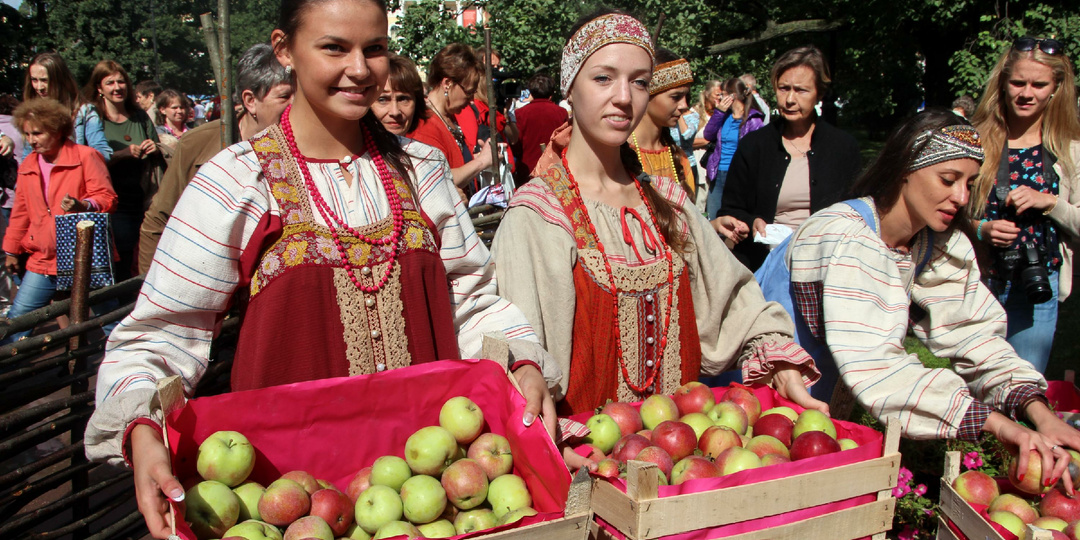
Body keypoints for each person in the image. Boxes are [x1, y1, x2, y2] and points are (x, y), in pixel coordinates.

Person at [86, 1, 560, 536]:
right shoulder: (239, 182)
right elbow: (163, 332)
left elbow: (471, 301)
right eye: (334, 47)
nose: (359, 69)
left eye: (374, 49)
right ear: (285, 50)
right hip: (293, 503)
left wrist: (520, 361)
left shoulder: (422, 171)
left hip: (437, 497)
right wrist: (143, 427)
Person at [491, 10, 826, 451]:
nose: (624, 97)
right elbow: (521, 355)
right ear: (569, 86)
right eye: (604, 78)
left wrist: (778, 362)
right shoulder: (539, 216)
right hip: (591, 469)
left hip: (688, 467)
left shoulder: (667, 199)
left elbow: (732, 302)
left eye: (640, 81)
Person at [782, 109, 1080, 493]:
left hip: (816, 419)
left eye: (970, 183)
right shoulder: (843, 236)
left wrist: (1040, 413)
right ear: (906, 166)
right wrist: (998, 424)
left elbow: (974, 336)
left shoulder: (933, 245)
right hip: (755, 398)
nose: (961, 197)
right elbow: (879, 366)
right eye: (948, 179)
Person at [970, 37, 1080, 374]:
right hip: (978, 281)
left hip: (1037, 284)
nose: (1026, 93)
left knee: (1024, 385)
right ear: (1002, 83)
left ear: (1056, 89)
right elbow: (945, 208)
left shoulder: (1071, 151)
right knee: (976, 390)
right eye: (1017, 82)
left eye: (1038, 84)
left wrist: (1050, 202)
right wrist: (980, 228)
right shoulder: (974, 139)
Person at [137, 43, 294, 275]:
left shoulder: (309, 146)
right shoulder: (198, 144)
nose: (296, 104)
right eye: (285, 96)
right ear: (251, 100)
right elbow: (159, 221)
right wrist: (152, 290)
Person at [717, 46, 862, 271]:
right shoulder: (754, 146)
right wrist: (752, 221)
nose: (790, 99)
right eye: (784, 89)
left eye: (801, 90)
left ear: (819, 93)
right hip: (766, 267)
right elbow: (730, 209)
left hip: (829, 268)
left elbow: (858, 211)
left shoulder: (843, 148)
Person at [3, 98, 118, 342]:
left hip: (85, 256)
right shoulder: (28, 164)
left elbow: (107, 198)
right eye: (27, 133)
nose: (31, 139)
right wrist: (11, 250)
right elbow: (20, 213)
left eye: (38, 133)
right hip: (43, 258)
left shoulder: (85, 156)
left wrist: (84, 205)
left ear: (58, 131)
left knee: (108, 320)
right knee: (19, 318)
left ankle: (126, 365)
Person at [85, 60, 165, 280]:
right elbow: (89, 159)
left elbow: (158, 147)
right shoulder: (93, 119)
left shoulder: (139, 116)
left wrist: (154, 148)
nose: (117, 87)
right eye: (110, 82)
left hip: (143, 196)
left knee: (145, 254)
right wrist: (122, 154)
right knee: (122, 259)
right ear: (99, 88)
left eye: (121, 81)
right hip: (111, 201)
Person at [408, 43, 493, 193]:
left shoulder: (449, 118)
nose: (471, 99)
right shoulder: (425, 124)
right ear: (447, 84)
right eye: (468, 91)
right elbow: (436, 178)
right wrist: (481, 162)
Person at [17, 52, 112, 162]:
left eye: (44, 80)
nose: (39, 87)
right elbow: (27, 158)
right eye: (34, 80)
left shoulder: (83, 112)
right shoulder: (31, 114)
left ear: (60, 80)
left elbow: (102, 153)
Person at [628, 49, 695, 197]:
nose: (684, 105)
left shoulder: (678, 157)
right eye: (676, 97)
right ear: (647, 95)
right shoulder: (620, 155)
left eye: (686, 97)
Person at [703, 77, 767, 218]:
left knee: (735, 217)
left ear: (733, 95)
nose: (720, 98)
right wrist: (718, 112)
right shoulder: (724, 116)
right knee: (714, 218)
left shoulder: (753, 119)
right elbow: (708, 134)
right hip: (718, 172)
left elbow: (758, 150)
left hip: (738, 174)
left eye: (723, 94)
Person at [511, 73, 568, 184]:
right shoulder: (561, 112)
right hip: (555, 171)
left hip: (528, 170)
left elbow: (516, 144)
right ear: (551, 92)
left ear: (531, 92)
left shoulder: (520, 114)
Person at [370, 53, 426, 136]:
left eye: (403, 99)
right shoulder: (348, 148)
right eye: (382, 100)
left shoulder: (426, 149)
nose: (395, 112)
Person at [691, 79, 721, 213]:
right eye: (717, 94)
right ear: (707, 94)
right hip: (699, 165)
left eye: (722, 95)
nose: (720, 98)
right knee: (699, 204)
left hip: (715, 166)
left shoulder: (721, 114)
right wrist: (708, 141)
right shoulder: (695, 113)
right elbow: (685, 141)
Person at [153, 89, 189, 160]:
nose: (179, 111)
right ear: (162, 110)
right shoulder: (157, 134)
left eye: (182, 107)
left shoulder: (193, 132)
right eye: (174, 108)